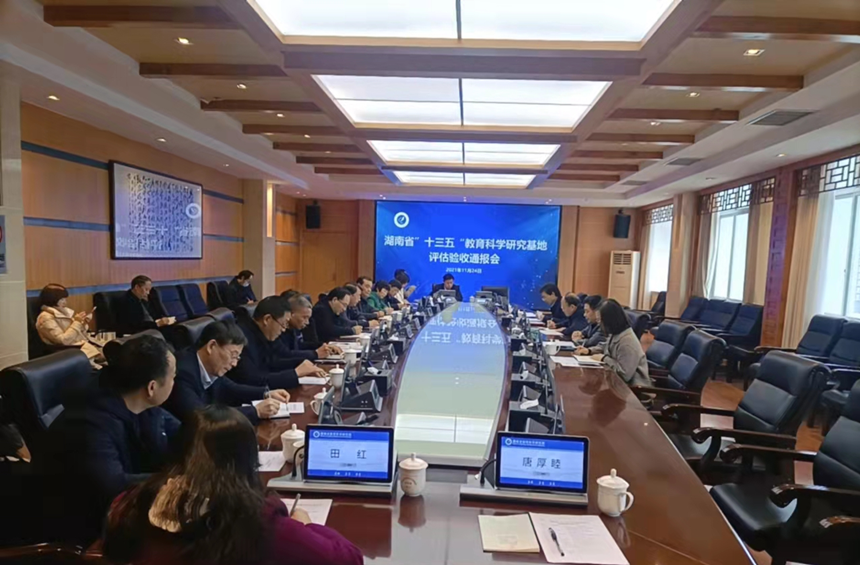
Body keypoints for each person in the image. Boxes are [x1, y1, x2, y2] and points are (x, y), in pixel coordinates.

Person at [104, 406, 364, 565]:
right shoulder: (258, 522)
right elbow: (349, 559)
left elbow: (112, 551)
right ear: (247, 460)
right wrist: (306, 525)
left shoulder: (132, 501)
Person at [34, 335, 180, 545]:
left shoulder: (141, 405)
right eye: (173, 377)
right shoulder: (89, 423)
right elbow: (113, 486)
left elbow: (179, 430)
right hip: (83, 530)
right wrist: (174, 479)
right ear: (152, 387)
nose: (175, 382)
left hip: (120, 514)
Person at [164, 321, 290, 425]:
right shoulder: (182, 372)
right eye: (233, 356)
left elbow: (230, 388)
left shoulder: (210, 366)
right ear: (211, 346)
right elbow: (201, 417)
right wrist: (255, 411)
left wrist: (265, 393)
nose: (234, 364)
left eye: (237, 358)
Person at [228, 297, 327, 390]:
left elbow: (273, 362)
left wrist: (303, 364)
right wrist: (295, 373)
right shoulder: (242, 338)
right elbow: (252, 379)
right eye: (283, 324)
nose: (284, 330)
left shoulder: (262, 334)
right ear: (267, 319)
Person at [578, 299, 650, 388]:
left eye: (600, 320)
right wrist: (589, 351)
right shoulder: (616, 333)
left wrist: (604, 358)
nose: (599, 324)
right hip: (615, 384)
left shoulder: (627, 342)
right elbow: (606, 346)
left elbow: (624, 375)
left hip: (633, 390)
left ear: (609, 320)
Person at [35, 283, 101, 360]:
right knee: (109, 355)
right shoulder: (45, 318)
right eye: (62, 299)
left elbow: (76, 333)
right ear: (52, 299)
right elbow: (63, 340)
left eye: (65, 299)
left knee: (110, 350)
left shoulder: (63, 312)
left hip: (82, 346)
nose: (65, 302)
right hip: (73, 351)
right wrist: (77, 322)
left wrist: (83, 323)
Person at [280, 295, 341, 361]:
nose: (307, 322)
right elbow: (286, 354)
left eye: (308, 318)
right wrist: (316, 354)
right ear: (291, 314)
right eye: (304, 317)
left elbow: (299, 346)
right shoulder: (279, 331)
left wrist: (323, 345)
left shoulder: (293, 329)